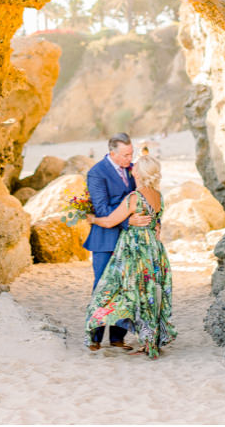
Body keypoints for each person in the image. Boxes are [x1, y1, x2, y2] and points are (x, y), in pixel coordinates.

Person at [84, 153, 176, 358]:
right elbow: (157, 225)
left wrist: (92, 219)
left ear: (140, 173)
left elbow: (109, 221)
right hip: (153, 251)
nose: (132, 168)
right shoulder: (159, 196)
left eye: (135, 168)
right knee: (150, 295)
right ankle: (149, 343)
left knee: (111, 289)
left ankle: (97, 333)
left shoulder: (134, 198)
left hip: (134, 251)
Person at [82, 132, 150, 350]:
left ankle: (117, 338)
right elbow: (101, 209)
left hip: (127, 240)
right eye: (125, 155)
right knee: (102, 286)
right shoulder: (97, 173)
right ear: (112, 153)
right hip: (104, 239)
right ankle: (95, 337)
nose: (130, 159)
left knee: (124, 287)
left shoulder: (132, 171)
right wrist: (129, 220)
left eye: (131, 154)